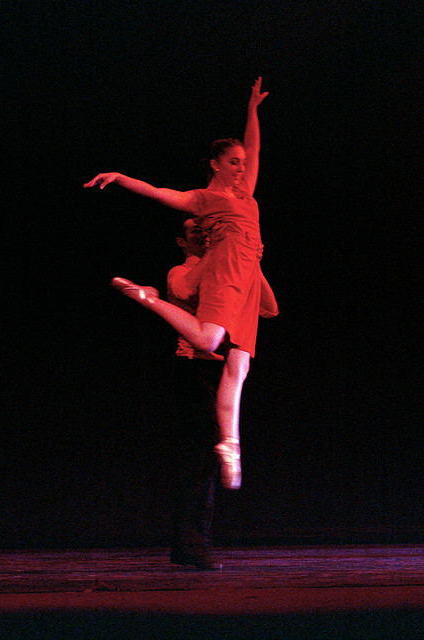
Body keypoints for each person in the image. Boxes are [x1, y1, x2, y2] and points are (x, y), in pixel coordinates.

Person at [84, 77, 279, 490]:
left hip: (249, 275)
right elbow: (157, 192)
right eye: (232, 162)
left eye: (242, 162)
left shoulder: (247, 194)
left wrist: (252, 110)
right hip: (226, 267)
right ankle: (145, 298)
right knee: (209, 341)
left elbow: (255, 147)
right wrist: (120, 177)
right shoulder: (202, 199)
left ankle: (230, 444)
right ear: (215, 164)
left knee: (238, 364)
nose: (241, 166)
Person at [168, 218, 224, 570]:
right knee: (202, 458)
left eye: (206, 229)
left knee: (210, 459)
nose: (202, 235)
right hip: (194, 368)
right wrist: (221, 250)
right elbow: (187, 292)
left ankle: (192, 544)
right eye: (194, 231)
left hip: (220, 368)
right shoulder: (179, 272)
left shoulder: (218, 269)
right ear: (181, 241)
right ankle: (190, 546)